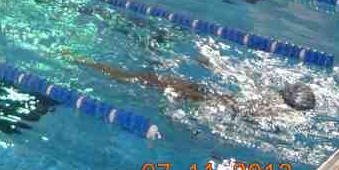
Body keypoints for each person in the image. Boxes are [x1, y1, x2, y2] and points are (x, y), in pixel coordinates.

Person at [64, 51, 316, 111]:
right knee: (145, 79)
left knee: (141, 79)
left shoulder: (267, 104)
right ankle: (84, 61)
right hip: (216, 97)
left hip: (211, 99)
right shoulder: (272, 102)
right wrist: (213, 64)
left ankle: (83, 61)